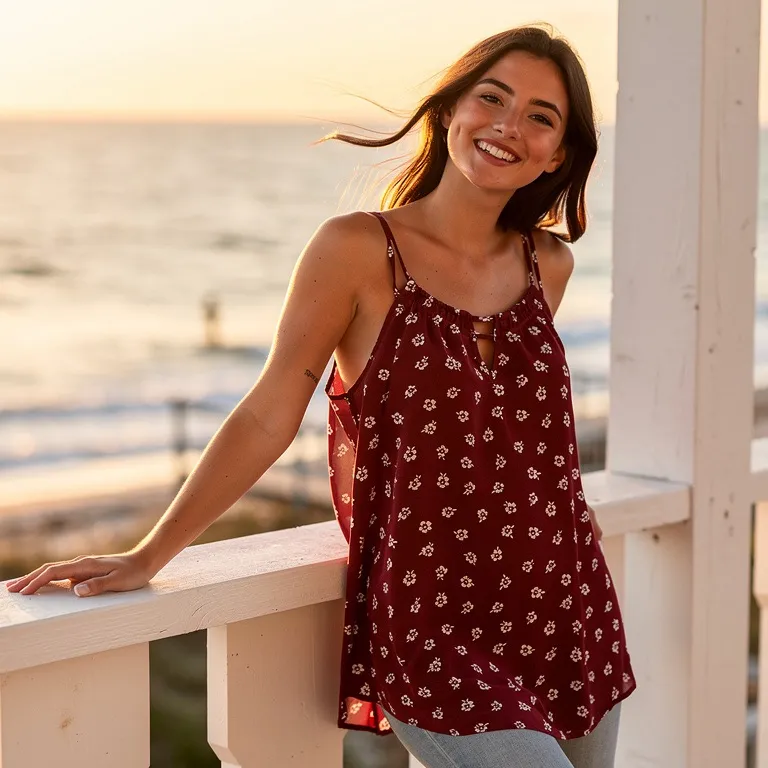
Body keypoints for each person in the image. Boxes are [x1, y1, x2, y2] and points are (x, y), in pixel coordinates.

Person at [5, 24, 635, 768]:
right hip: (434, 627)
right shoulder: (359, 251)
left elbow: (506, 432)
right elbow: (270, 410)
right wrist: (151, 553)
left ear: (559, 154)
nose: (508, 125)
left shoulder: (547, 264)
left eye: (541, 115)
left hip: (565, 600)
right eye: (490, 97)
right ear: (448, 111)